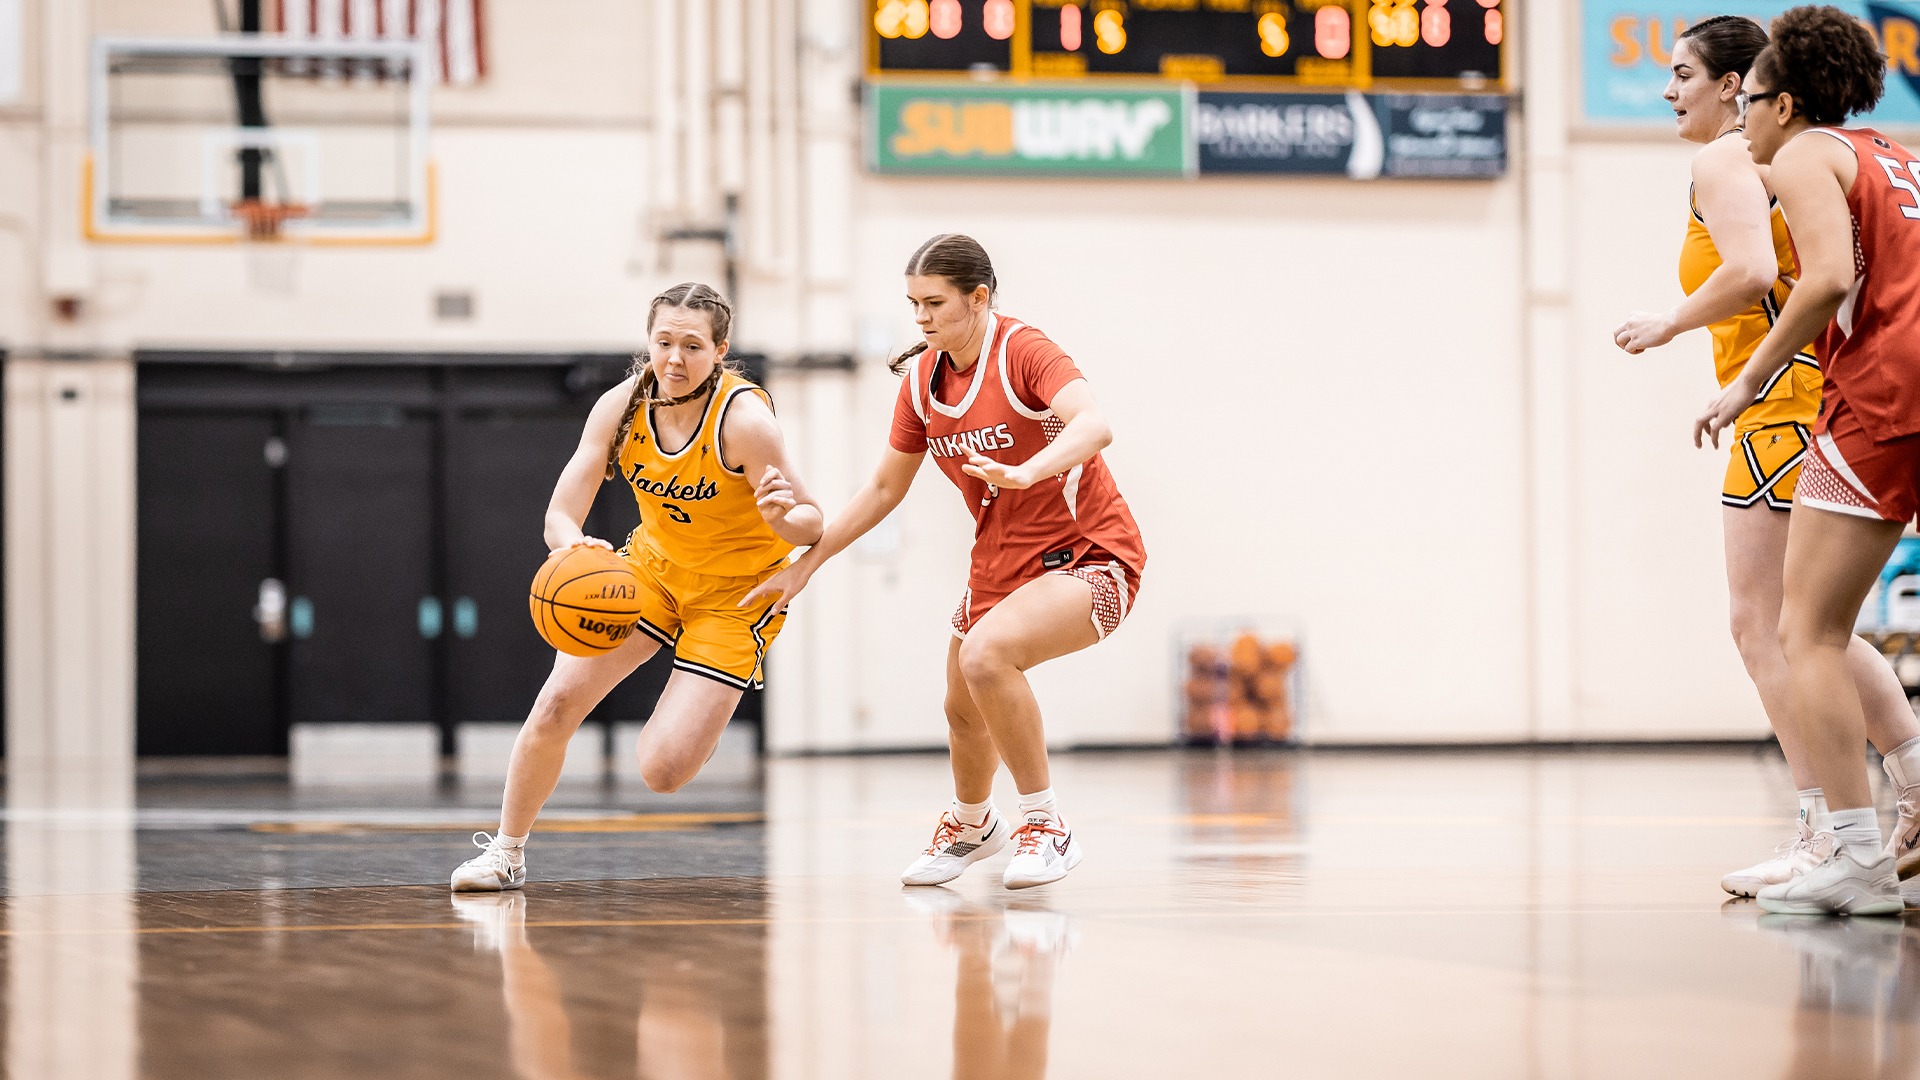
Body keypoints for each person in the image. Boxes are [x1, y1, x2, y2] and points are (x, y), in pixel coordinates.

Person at [1614, 14, 1920, 899]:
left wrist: (1677, 329)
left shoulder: (1740, 159)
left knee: (1782, 628)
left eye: (1686, 77)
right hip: (1835, 396)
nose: (1672, 93)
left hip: (1804, 402)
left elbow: (1761, 271)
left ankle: (1836, 830)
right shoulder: (1875, 151)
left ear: (1747, 90)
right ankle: (1881, 802)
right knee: (1812, 626)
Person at [743, 234, 1146, 890]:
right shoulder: (925, 384)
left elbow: (1092, 425)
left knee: (986, 657)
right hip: (999, 563)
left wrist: (1029, 470)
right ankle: (971, 825)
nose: (922, 318)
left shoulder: (1023, 352)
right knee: (962, 705)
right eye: (914, 304)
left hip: (1089, 554)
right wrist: (802, 567)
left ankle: (1045, 825)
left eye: (935, 302)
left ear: (978, 298)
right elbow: (881, 490)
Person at [452, 282, 822, 892]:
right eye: (664, 342)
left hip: (736, 596)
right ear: (649, 342)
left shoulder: (747, 422)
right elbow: (560, 515)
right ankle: (506, 853)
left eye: (693, 346)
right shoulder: (620, 408)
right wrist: (574, 546)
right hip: (652, 571)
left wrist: (784, 518)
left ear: (721, 350)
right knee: (556, 703)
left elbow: (814, 521)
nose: (675, 359)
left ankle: (700, 717)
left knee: (662, 772)